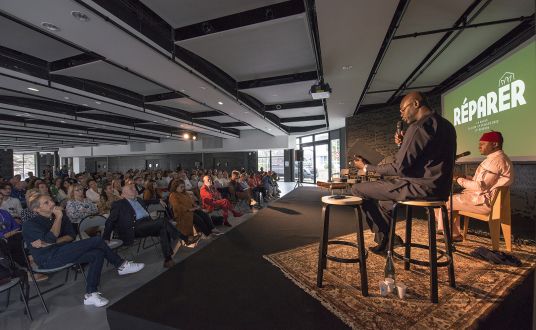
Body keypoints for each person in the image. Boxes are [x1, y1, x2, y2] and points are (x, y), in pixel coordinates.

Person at [351, 92, 457, 253]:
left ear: (415, 104)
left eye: (402, 109)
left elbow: (399, 168)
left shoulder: (417, 127)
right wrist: (403, 146)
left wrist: (366, 167)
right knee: (385, 202)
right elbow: (424, 160)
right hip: (440, 190)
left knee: (358, 189)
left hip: (419, 187)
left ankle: (387, 236)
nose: (401, 114)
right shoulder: (446, 125)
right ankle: (386, 240)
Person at [22, 193, 144, 307]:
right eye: (46, 203)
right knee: (96, 240)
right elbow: (51, 237)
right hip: (47, 259)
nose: (52, 203)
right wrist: (58, 219)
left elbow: (70, 236)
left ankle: (91, 294)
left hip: (63, 250)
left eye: (50, 200)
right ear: (36, 209)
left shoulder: (62, 216)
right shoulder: (30, 224)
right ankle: (121, 265)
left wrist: (50, 242)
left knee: (97, 253)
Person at [435, 131, 514, 241]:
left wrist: (459, 179)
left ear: (495, 144)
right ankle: (449, 231)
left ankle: (450, 233)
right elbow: (483, 182)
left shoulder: (496, 161)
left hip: (485, 203)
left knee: (443, 201)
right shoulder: (495, 159)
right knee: (449, 199)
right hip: (485, 198)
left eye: (482, 144)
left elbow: (480, 187)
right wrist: (464, 176)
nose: (479, 146)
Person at [103, 183, 187, 268]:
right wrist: (106, 237)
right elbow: (110, 221)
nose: (135, 190)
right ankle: (184, 238)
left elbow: (147, 201)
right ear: (124, 194)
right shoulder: (119, 204)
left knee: (163, 228)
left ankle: (168, 259)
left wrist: (158, 200)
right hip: (135, 227)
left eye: (134, 188)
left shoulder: (138, 199)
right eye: (131, 189)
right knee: (162, 222)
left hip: (147, 224)